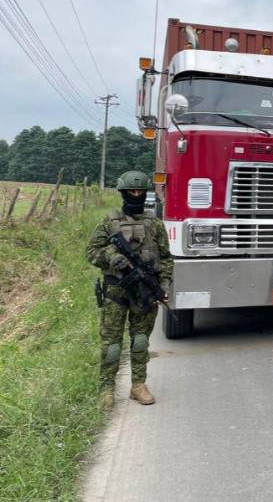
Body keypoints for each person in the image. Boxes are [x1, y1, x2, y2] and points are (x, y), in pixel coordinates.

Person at [86, 171, 173, 410]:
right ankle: (106, 389)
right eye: (131, 191)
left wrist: (164, 285)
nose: (136, 195)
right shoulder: (109, 221)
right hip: (116, 292)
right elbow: (91, 252)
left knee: (141, 341)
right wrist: (110, 256)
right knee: (112, 345)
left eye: (140, 191)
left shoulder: (155, 223)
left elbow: (166, 258)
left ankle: (138, 385)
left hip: (145, 292)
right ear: (123, 193)